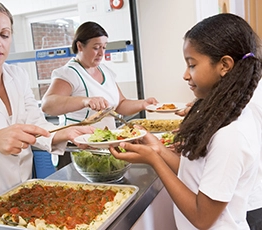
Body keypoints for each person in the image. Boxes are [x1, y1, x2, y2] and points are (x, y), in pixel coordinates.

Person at [110, 13, 262, 229]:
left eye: (192, 65)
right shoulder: (220, 119)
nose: (185, 75)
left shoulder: (231, 135)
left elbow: (202, 217)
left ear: (224, 65)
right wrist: (159, 151)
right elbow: (196, 174)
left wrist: (154, 160)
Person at [0, 0, 94, 215]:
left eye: (4, 35)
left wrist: (64, 133)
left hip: (22, 194)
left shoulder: (18, 76)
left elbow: (34, 122)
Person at [41, 21, 158, 130]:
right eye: (96, 48)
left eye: (104, 47)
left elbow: (120, 104)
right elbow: (47, 105)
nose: (101, 53)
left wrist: (143, 104)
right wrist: (85, 101)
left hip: (105, 143)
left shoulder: (105, 71)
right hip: (78, 146)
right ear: (80, 46)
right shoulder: (69, 73)